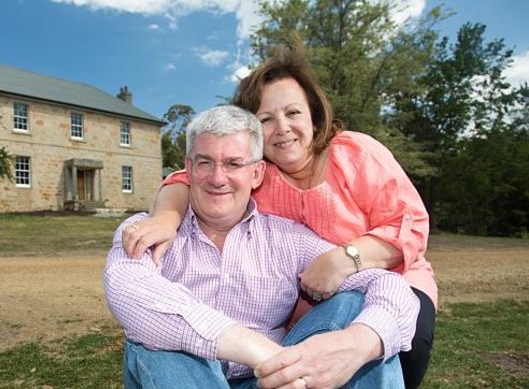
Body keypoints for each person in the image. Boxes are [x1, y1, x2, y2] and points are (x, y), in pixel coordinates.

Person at [122, 46, 436, 388]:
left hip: (391, 278)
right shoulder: (261, 176)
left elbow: (411, 226)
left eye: (293, 113)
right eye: (266, 119)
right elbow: (189, 179)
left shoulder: (355, 154)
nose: (282, 128)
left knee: (390, 350)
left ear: (313, 116)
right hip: (302, 317)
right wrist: (166, 219)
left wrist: (347, 258)